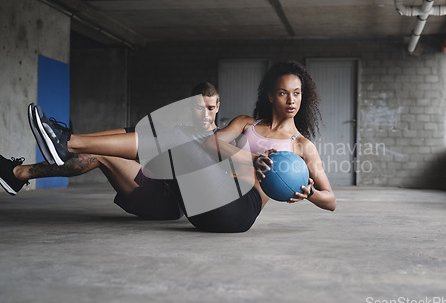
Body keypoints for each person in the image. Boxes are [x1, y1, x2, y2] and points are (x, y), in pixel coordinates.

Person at [3, 61, 337, 232]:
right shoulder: (245, 123)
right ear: (270, 95)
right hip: (203, 197)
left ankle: (67, 142)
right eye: (283, 92)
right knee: (173, 135)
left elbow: (330, 200)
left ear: (303, 97)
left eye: (296, 93)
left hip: (237, 211)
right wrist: (251, 156)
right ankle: (45, 157)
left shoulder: (302, 146)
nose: (290, 99)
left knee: (176, 136)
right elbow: (209, 144)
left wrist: (308, 194)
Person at [0, 82, 221, 221]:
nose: (204, 115)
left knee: (101, 155)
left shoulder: (220, 140)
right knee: (141, 133)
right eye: (198, 108)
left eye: (210, 108)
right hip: (153, 183)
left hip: (169, 202)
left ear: (217, 107)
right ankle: (66, 142)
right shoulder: (181, 130)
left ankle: (23, 170)